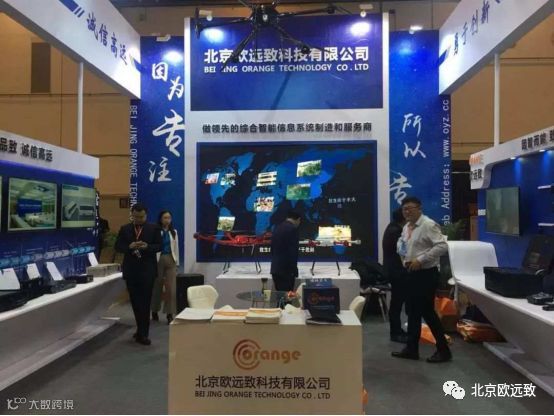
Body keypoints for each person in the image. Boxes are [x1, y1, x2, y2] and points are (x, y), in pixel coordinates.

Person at [392, 197, 452, 363]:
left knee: (427, 312)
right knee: (412, 312)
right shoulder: (407, 227)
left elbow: (442, 246)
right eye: (404, 209)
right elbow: (403, 246)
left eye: (410, 208)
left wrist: (421, 260)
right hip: (411, 273)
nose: (407, 212)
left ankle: (443, 350)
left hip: (426, 274)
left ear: (419, 208)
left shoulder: (428, 225)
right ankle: (412, 349)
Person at [115, 203, 162, 346]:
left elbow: (159, 246)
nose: (139, 219)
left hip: (147, 270)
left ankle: (144, 334)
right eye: (136, 217)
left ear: (146, 215)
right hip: (131, 270)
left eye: (141, 217)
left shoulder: (154, 228)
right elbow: (118, 246)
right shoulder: (125, 229)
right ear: (132, 215)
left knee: (145, 302)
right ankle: (140, 329)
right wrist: (129, 247)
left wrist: (147, 247)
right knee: (135, 302)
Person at [382, 208, 408, 343]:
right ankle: (396, 332)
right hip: (397, 272)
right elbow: (403, 252)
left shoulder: (392, 228)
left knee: (396, 303)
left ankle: (397, 331)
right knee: (396, 303)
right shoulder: (396, 231)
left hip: (394, 270)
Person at [151, 210, 179, 325]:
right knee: (157, 286)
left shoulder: (174, 232)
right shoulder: (156, 231)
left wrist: (177, 263)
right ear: (160, 219)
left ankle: (169, 313)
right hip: (158, 259)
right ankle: (154, 310)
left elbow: (176, 248)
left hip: (171, 259)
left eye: (169, 218)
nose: (167, 220)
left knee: (171, 288)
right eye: (165, 218)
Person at [271, 210, 301, 291]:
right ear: (298, 220)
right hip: (286, 271)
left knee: (280, 296)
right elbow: (293, 252)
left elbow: (272, 248)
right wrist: (294, 270)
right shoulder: (292, 229)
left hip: (275, 269)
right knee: (287, 296)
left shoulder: (277, 227)